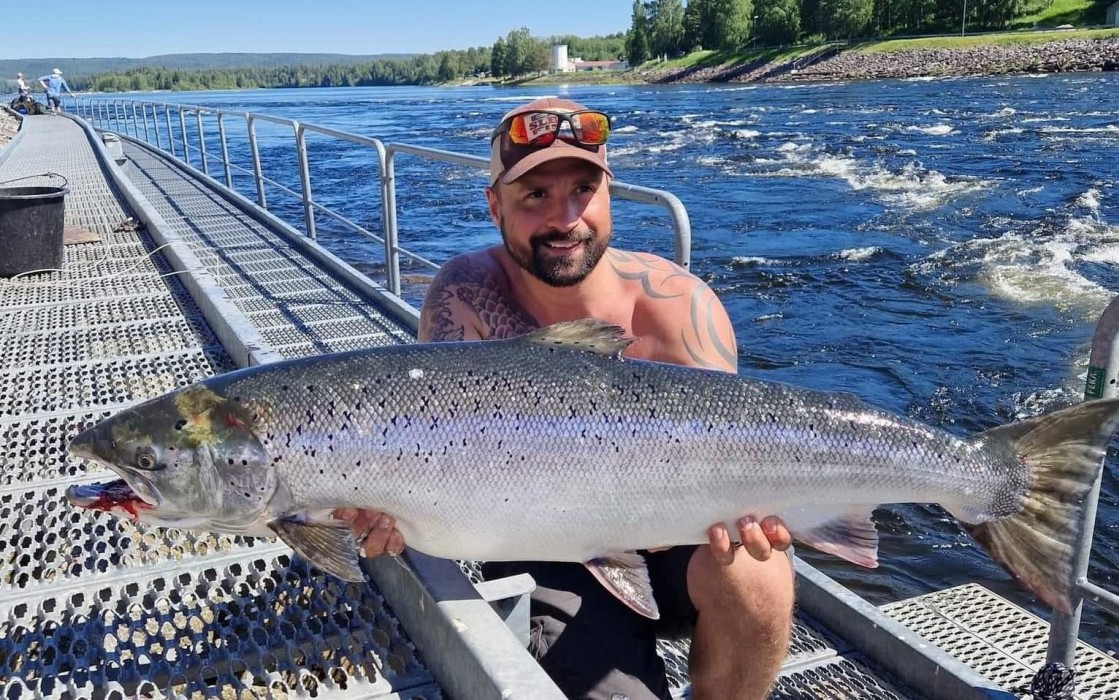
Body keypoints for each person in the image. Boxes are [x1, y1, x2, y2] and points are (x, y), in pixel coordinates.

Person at [336, 97, 795, 699]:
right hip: (538, 536)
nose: (565, 217)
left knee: (762, 576)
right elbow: (432, 445)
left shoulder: (678, 304)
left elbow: (728, 451)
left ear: (609, 195)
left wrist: (753, 511)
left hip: (678, 528)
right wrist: (389, 509)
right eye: (535, 195)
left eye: (583, 190)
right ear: (495, 206)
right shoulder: (464, 295)